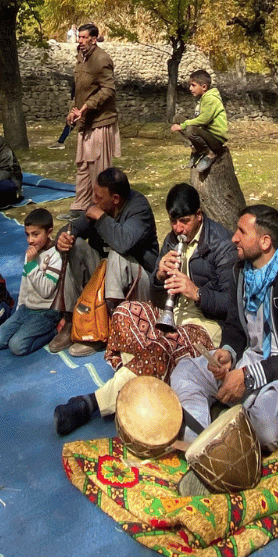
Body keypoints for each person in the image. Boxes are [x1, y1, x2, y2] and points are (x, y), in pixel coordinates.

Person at [55, 183, 236, 435]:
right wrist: (160, 275)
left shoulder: (223, 245)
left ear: (199, 215)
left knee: (159, 349)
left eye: (184, 222)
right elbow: (156, 291)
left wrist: (197, 292)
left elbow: (231, 305)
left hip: (207, 324)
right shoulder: (173, 239)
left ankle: (92, 402)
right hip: (173, 315)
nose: (178, 229)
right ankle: (147, 374)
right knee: (124, 313)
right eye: (173, 222)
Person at [168, 204, 278, 450]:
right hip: (252, 363)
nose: (233, 238)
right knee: (185, 371)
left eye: (242, 232)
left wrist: (247, 377)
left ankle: (237, 428)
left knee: (266, 426)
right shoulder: (242, 271)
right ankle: (200, 446)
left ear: (265, 242)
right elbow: (235, 326)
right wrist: (227, 353)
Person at [47, 166, 158, 357]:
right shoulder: (99, 206)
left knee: (116, 255)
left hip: (137, 281)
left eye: (99, 197)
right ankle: (73, 320)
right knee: (75, 245)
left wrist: (100, 217)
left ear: (115, 199)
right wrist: (63, 238)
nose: (93, 201)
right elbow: (73, 228)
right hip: (102, 277)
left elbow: (124, 243)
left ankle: (106, 329)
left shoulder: (139, 208)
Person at [64, 23, 119, 220]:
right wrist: (74, 110)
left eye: (83, 37)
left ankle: (101, 208)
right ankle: (80, 207)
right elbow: (80, 89)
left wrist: (87, 106)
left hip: (100, 121)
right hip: (84, 121)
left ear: (94, 39)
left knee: (99, 167)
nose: (79, 41)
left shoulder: (102, 59)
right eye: (79, 37)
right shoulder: (81, 58)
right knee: (83, 165)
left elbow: (108, 89)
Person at [0, 208, 63, 355]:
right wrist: (19, 309)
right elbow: (25, 284)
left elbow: (46, 291)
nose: (30, 240)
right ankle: (25, 326)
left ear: (49, 232)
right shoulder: (31, 252)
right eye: (27, 235)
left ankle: (54, 330)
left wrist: (32, 264)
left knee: (17, 346)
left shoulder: (56, 255)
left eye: (35, 234)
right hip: (27, 309)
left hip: (46, 311)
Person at [170, 70, 228, 173]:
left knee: (190, 130)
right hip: (206, 135)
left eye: (193, 85)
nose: (190, 88)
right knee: (177, 119)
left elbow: (203, 120)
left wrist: (183, 126)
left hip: (215, 139)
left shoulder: (210, 99)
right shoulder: (202, 99)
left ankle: (209, 154)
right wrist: (183, 123)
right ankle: (195, 149)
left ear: (204, 87)